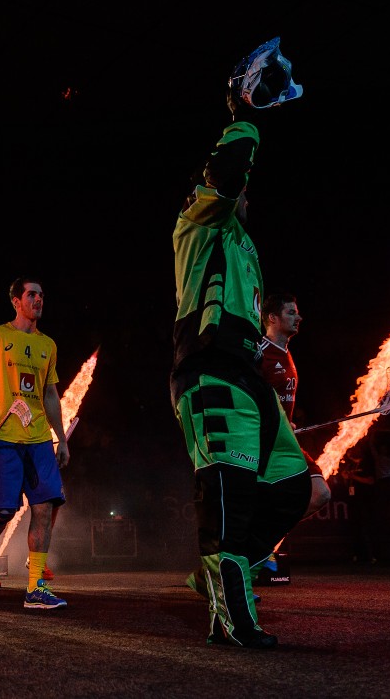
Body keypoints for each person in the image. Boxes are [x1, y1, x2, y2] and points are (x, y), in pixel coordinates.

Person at [169, 38, 310, 648]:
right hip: (208, 368)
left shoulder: (248, 247)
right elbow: (227, 175)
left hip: (247, 374)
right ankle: (232, 611)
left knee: (295, 485)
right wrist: (243, 111)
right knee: (225, 487)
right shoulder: (197, 224)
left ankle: (220, 576)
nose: (244, 194)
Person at [0, 276, 70, 610]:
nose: (39, 300)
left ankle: (36, 587)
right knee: (2, 511)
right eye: (32, 295)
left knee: (44, 508)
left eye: (42, 295)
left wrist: (62, 439)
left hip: (39, 438)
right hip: (4, 438)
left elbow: (51, 394)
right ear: (16, 301)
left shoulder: (48, 345)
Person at [255, 293, 332, 575]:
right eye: (290, 312)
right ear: (272, 318)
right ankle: (249, 558)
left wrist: (288, 423)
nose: (298, 317)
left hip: (286, 441)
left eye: (297, 312)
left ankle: (262, 544)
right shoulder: (258, 352)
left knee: (320, 494)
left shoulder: (286, 351)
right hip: (263, 444)